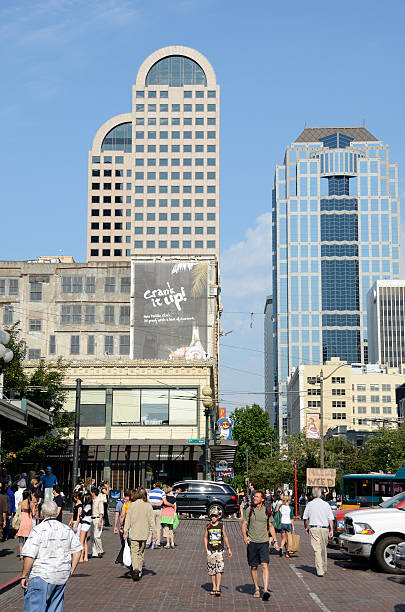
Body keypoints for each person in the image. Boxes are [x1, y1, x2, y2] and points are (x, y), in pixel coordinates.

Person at [20, 500, 82, 611]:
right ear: (56, 513)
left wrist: (24, 575)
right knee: (55, 607)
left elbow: (29, 555)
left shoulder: (38, 530)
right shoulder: (66, 529)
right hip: (61, 575)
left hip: (42, 574)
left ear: (43, 513)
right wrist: (71, 569)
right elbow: (77, 551)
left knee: (35, 607)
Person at [241, 490, 279, 601]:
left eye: (257, 497)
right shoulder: (249, 510)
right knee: (253, 566)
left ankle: (265, 590)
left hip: (263, 542)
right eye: (254, 497)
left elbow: (271, 526)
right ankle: (257, 588)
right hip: (252, 542)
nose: (255, 498)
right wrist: (245, 536)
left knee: (264, 565)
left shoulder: (267, 511)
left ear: (262, 499)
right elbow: (244, 524)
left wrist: (275, 540)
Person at [124, 488, 156, 581]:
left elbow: (128, 519)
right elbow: (151, 521)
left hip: (134, 533)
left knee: (134, 552)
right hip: (144, 533)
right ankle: (140, 571)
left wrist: (125, 531)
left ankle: (135, 569)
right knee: (141, 553)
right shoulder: (148, 506)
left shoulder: (132, 505)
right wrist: (154, 532)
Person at [303, 487, 334, 577]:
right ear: (320, 494)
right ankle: (323, 567)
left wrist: (306, 527)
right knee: (323, 548)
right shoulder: (326, 504)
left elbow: (305, 517)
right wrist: (331, 529)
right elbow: (330, 518)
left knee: (317, 549)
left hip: (314, 528)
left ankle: (320, 569)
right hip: (325, 528)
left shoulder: (309, 504)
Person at [204, 509, 232, 596]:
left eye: (215, 516)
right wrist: (206, 549)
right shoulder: (208, 526)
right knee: (212, 570)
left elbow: (225, 537)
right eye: (212, 516)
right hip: (210, 550)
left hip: (219, 550)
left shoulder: (221, 526)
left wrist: (229, 548)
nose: (213, 518)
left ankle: (218, 587)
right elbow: (205, 537)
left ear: (218, 517)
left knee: (219, 569)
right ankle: (214, 586)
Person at [16, 490, 35, 559]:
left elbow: (18, 512)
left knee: (20, 538)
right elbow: (33, 514)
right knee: (27, 538)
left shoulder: (20, 503)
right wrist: (32, 496)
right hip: (29, 522)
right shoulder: (32, 503)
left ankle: (21, 554)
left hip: (22, 521)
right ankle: (27, 553)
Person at [147, 482, 166, 547]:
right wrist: (158, 504)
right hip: (158, 510)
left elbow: (148, 501)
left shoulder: (150, 492)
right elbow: (163, 502)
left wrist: (152, 504)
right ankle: (157, 543)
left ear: (154, 485)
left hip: (151, 510)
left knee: (150, 527)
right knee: (158, 527)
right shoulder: (162, 492)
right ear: (160, 486)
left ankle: (148, 542)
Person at [90, 486, 104, 558]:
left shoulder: (99, 500)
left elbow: (101, 512)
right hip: (91, 519)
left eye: (91, 492)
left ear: (93, 493)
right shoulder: (91, 500)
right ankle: (94, 552)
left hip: (98, 519)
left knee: (96, 536)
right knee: (92, 537)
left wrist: (100, 521)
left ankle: (100, 551)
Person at [79, 493, 92, 563]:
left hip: (84, 524)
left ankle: (81, 557)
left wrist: (81, 515)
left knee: (81, 541)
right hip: (88, 524)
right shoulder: (90, 506)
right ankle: (86, 557)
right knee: (85, 541)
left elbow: (82, 514)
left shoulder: (87, 506)